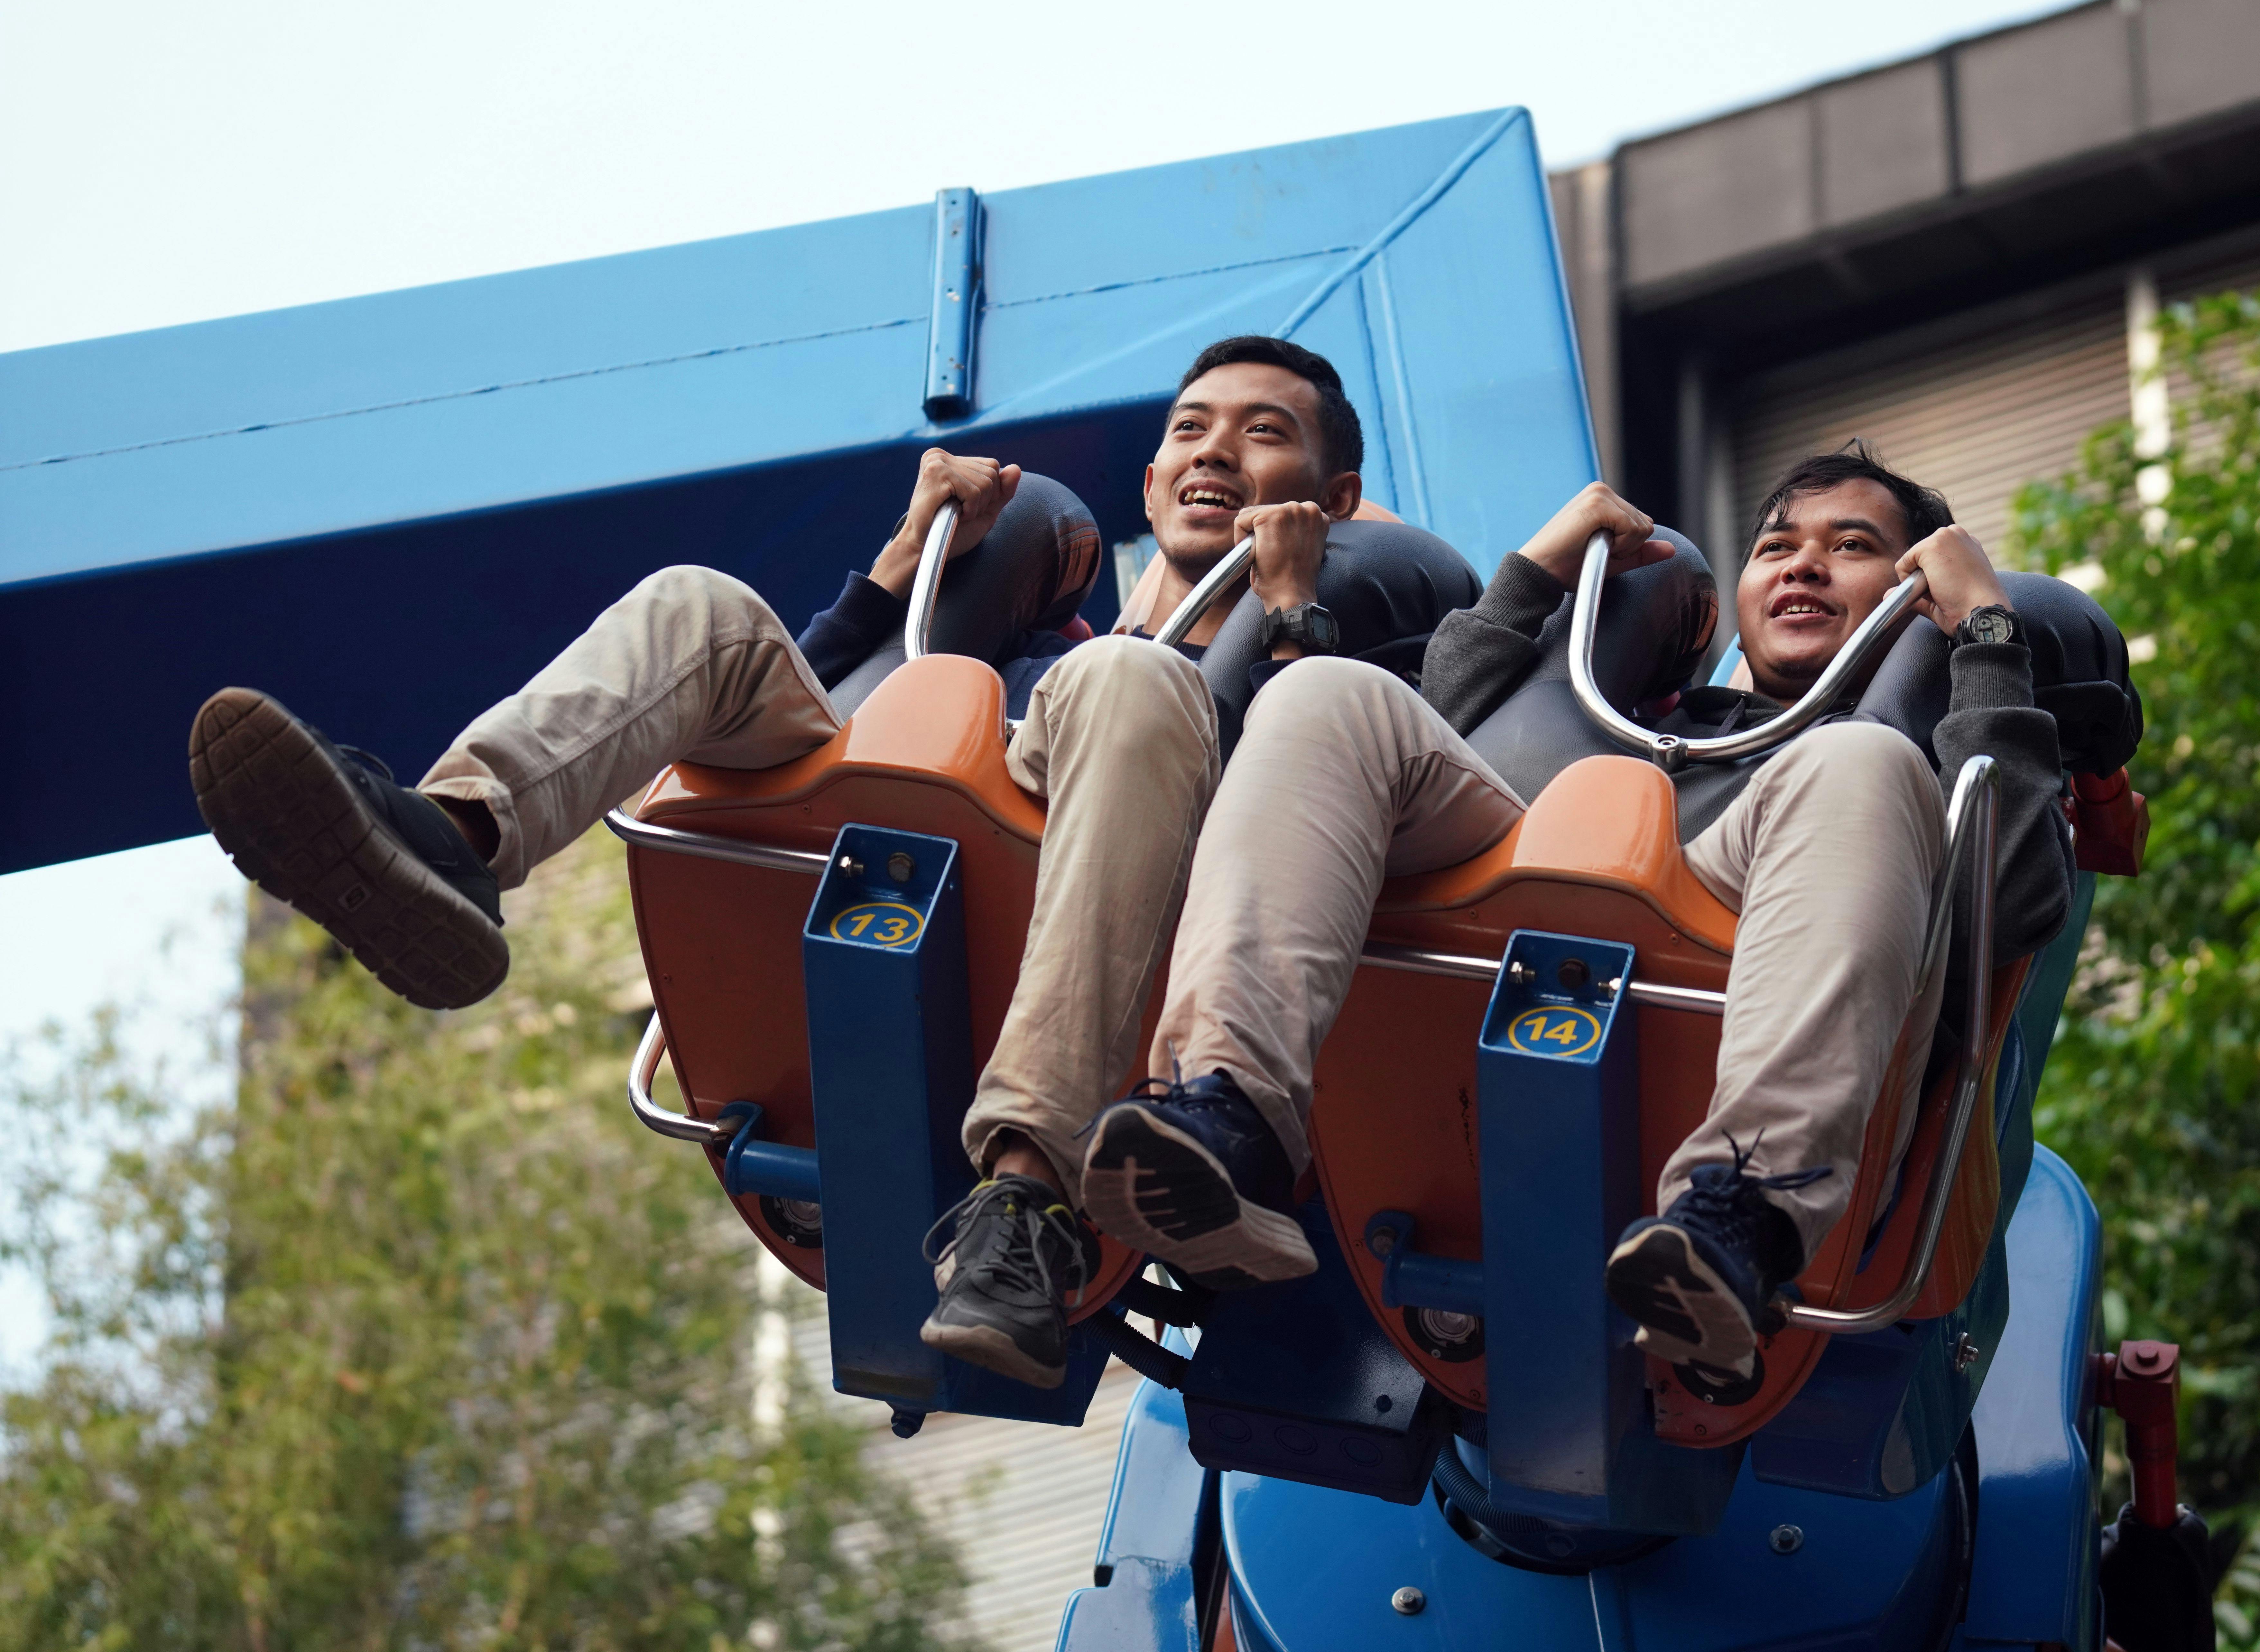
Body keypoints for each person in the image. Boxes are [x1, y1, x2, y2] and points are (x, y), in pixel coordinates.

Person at [187, 335, 1449, 1391]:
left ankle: (1028, 1208)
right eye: (1189, 428)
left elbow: (1303, 809)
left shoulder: (1309, 665)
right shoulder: (1040, 655)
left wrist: (1292, 609)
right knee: (701, 604)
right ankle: (453, 837)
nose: (1216, 451)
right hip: (960, 830)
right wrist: (898, 575)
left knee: (1129, 680)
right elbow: (824, 721)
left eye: (1264, 432)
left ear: (1330, 501)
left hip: (1137, 933)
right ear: (1151, 472)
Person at [1070, 447, 2075, 1402]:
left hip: (1749, 971)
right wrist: (1532, 579)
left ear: (1911, 601)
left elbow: (2018, 899)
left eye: (1852, 547)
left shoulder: (1895, 770)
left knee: (1860, 759)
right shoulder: (1632, 713)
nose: (1804, 562)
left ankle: (1744, 1215)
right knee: (1330, 693)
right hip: (1503, 956)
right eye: (1777, 545)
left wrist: (1985, 630)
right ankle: (1227, 1111)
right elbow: (1435, 735)